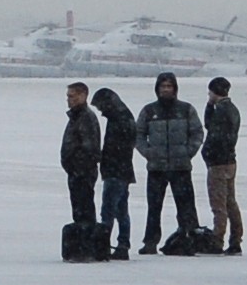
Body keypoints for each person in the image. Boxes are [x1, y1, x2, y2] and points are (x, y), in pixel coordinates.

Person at [139, 73, 202, 253]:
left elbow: (197, 132)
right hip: (156, 167)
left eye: (169, 86)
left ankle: (189, 239)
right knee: (154, 207)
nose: (166, 89)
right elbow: (138, 134)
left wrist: (188, 152)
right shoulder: (149, 111)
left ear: (175, 88)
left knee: (186, 206)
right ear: (157, 88)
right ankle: (150, 242)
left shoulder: (186, 109)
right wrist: (148, 153)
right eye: (163, 86)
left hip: (180, 166)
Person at [91, 79, 138, 260]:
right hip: (123, 170)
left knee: (108, 211)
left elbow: (116, 147)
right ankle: (122, 244)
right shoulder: (124, 117)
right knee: (121, 211)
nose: (101, 111)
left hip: (115, 171)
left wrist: (103, 158)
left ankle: (105, 244)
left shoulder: (119, 120)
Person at [202, 75, 246, 257]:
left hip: (218, 162)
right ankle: (236, 239)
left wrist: (207, 154)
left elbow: (212, 131)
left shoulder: (221, 111)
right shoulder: (232, 109)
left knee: (218, 204)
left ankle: (217, 239)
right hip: (230, 160)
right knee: (230, 202)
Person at [60, 83, 103, 246]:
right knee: (79, 210)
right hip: (76, 171)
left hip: (82, 172)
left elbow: (89, 147)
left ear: (83, 95)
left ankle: (86, 244)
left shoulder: (86, 117)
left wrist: (78, 166)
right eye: (68, 96)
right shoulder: (76, 117)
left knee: (84, 210)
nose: (69, 100)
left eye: (72, 96)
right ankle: (82, 243)